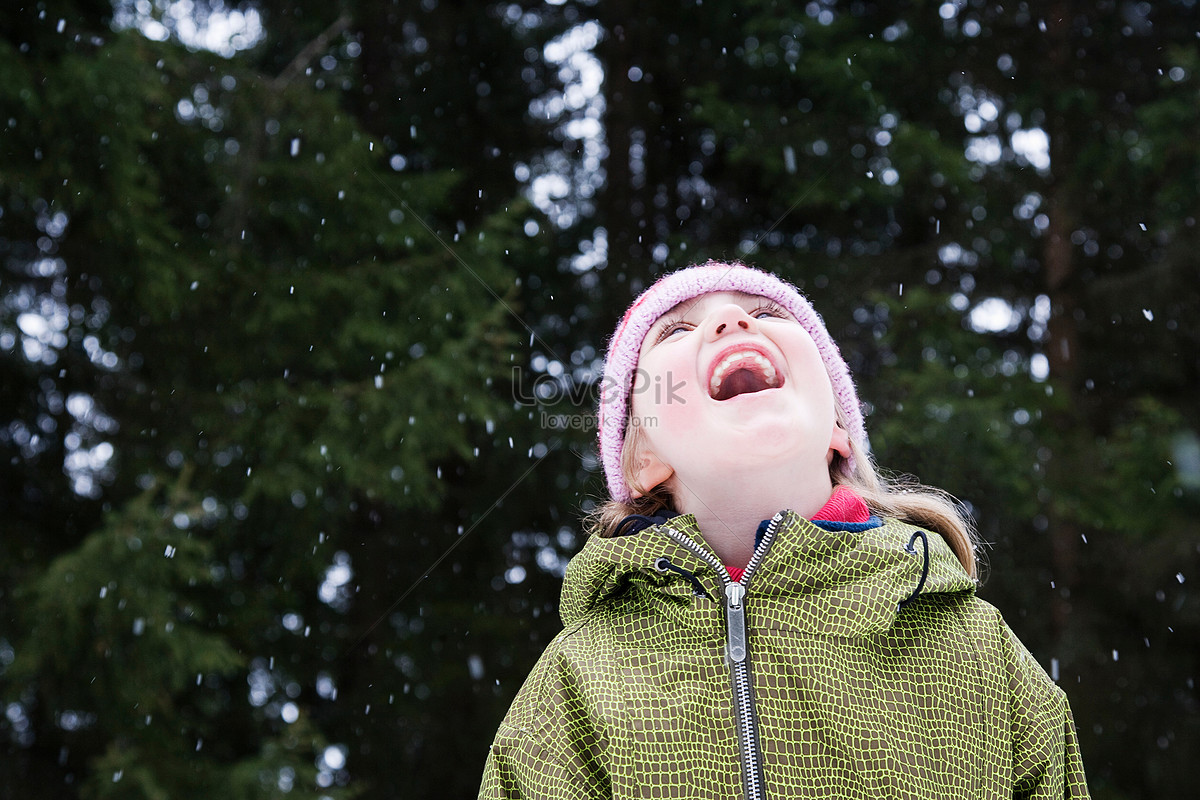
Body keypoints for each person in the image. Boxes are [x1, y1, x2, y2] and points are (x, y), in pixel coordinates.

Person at [479, 261, 1089, 799]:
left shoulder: (977, 653)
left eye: (767, 313)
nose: (729, 320)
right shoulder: (577, 686)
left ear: (837, 433)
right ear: (643, 462)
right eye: (676, 330)